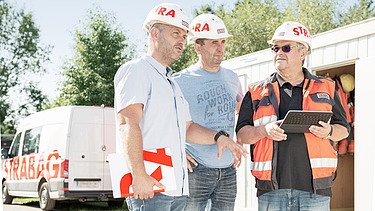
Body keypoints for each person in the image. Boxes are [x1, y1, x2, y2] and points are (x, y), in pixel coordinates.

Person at [114, 3, 247, 211]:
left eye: (184, 36)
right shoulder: (136, 70)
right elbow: (127, 123)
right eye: (176, 33)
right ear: (155, 33)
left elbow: (188, 129)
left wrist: (220, 138)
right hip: (151, 186)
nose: (182, 41)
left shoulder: (170, 82)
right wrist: (138, 174)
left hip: (177, 188)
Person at [235, 21, 350, 211]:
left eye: (286, 48)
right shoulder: (256, 91)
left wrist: (328, 131)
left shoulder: (327, 87)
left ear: (303, 53)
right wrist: (264, 130)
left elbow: (343, 130)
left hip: (316, 191)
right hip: (271, 191)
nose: (279, 52)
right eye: (275, 48)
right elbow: (242, 135)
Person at [173, 14, 243, 211]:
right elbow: (165, 121)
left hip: (228, 170)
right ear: (198, 47)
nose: (220, 48)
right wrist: (176, 151)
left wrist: (240, 143)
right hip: (196, 168)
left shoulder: (232, 77)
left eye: (222, 42)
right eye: (214, 43)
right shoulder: (180, 81)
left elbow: (243, 114)